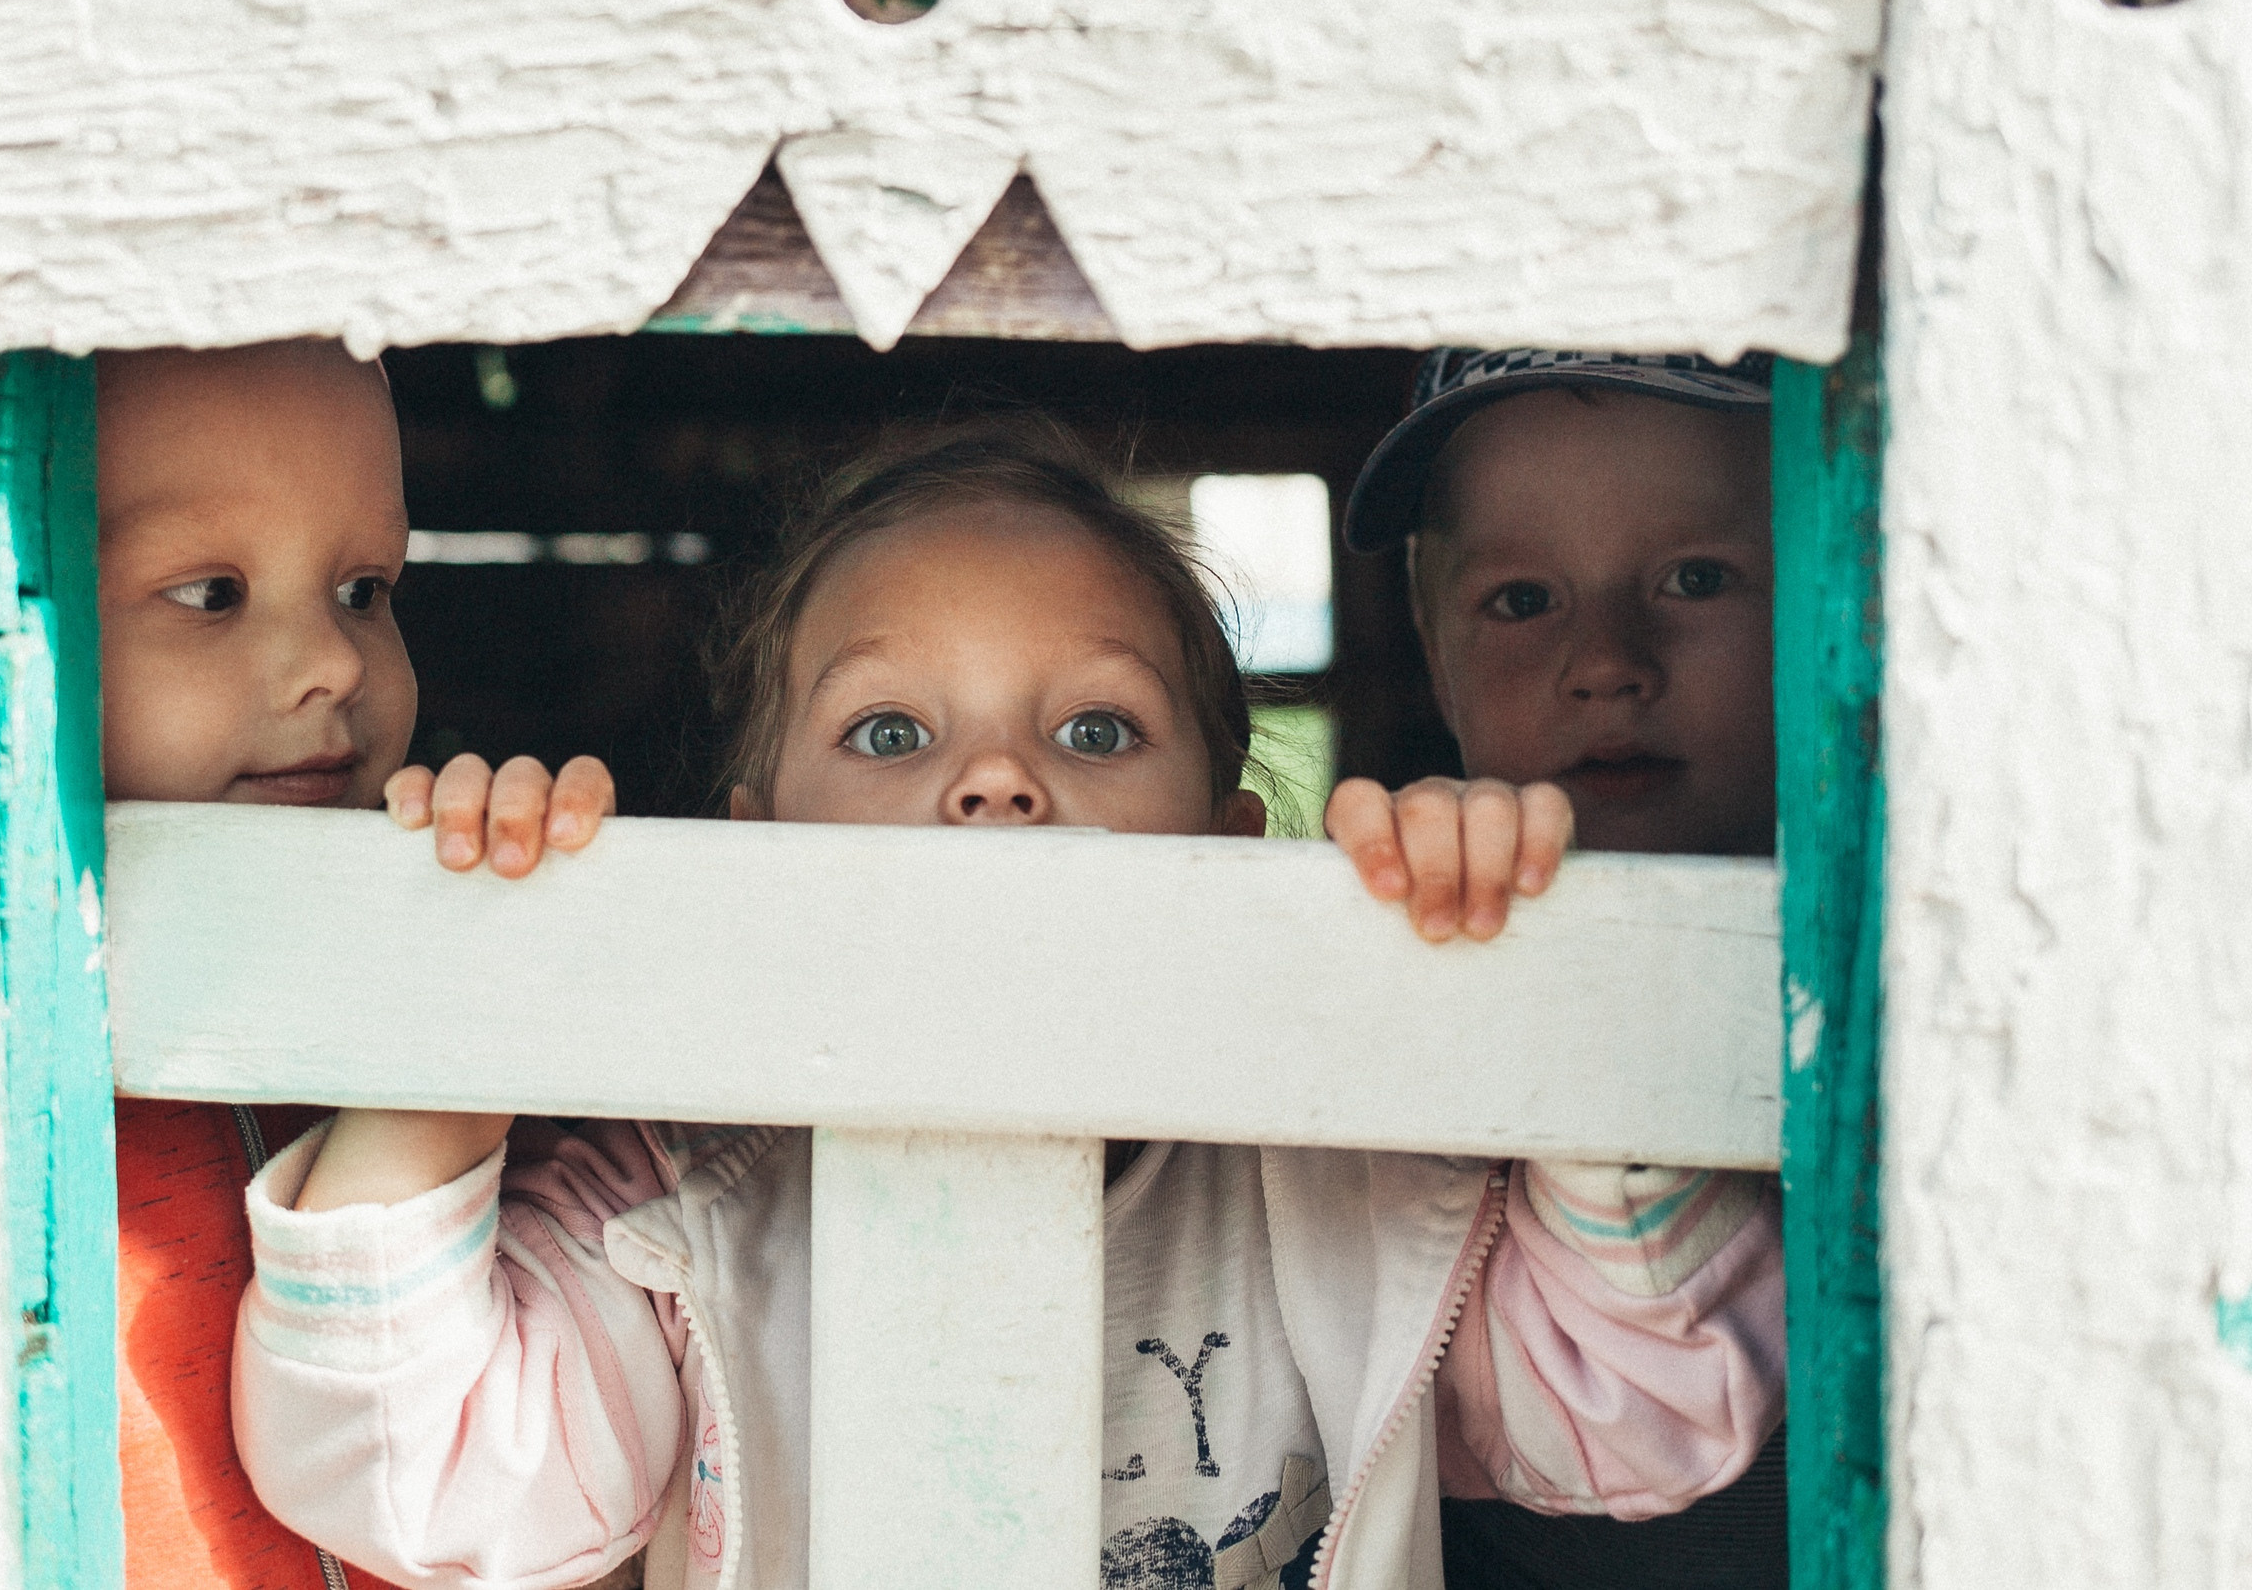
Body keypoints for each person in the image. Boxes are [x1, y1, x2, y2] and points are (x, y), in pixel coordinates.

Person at [230, 420, 1783, 1590]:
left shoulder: (1363, 1174)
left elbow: (1647, 1416)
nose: (994, 778)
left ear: (1235, 845)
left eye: (1096, 723)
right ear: (754, 846)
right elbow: (418, 1479)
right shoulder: (677, 1201)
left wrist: (1531, 992)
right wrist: (465, 992)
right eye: (892, 726)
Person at [96, 340, 613, 1590]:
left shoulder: (418, 886)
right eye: (213, 594)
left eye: (365, 590)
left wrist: (501, 885)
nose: (333, 661)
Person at [1327, 347, 1788, 1589]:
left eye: (1695, 578)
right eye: (1523, 601)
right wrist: (1421, 891)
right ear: (1433, 658)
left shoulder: (1933, 922)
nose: (1607, 660)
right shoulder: (1413, 904)